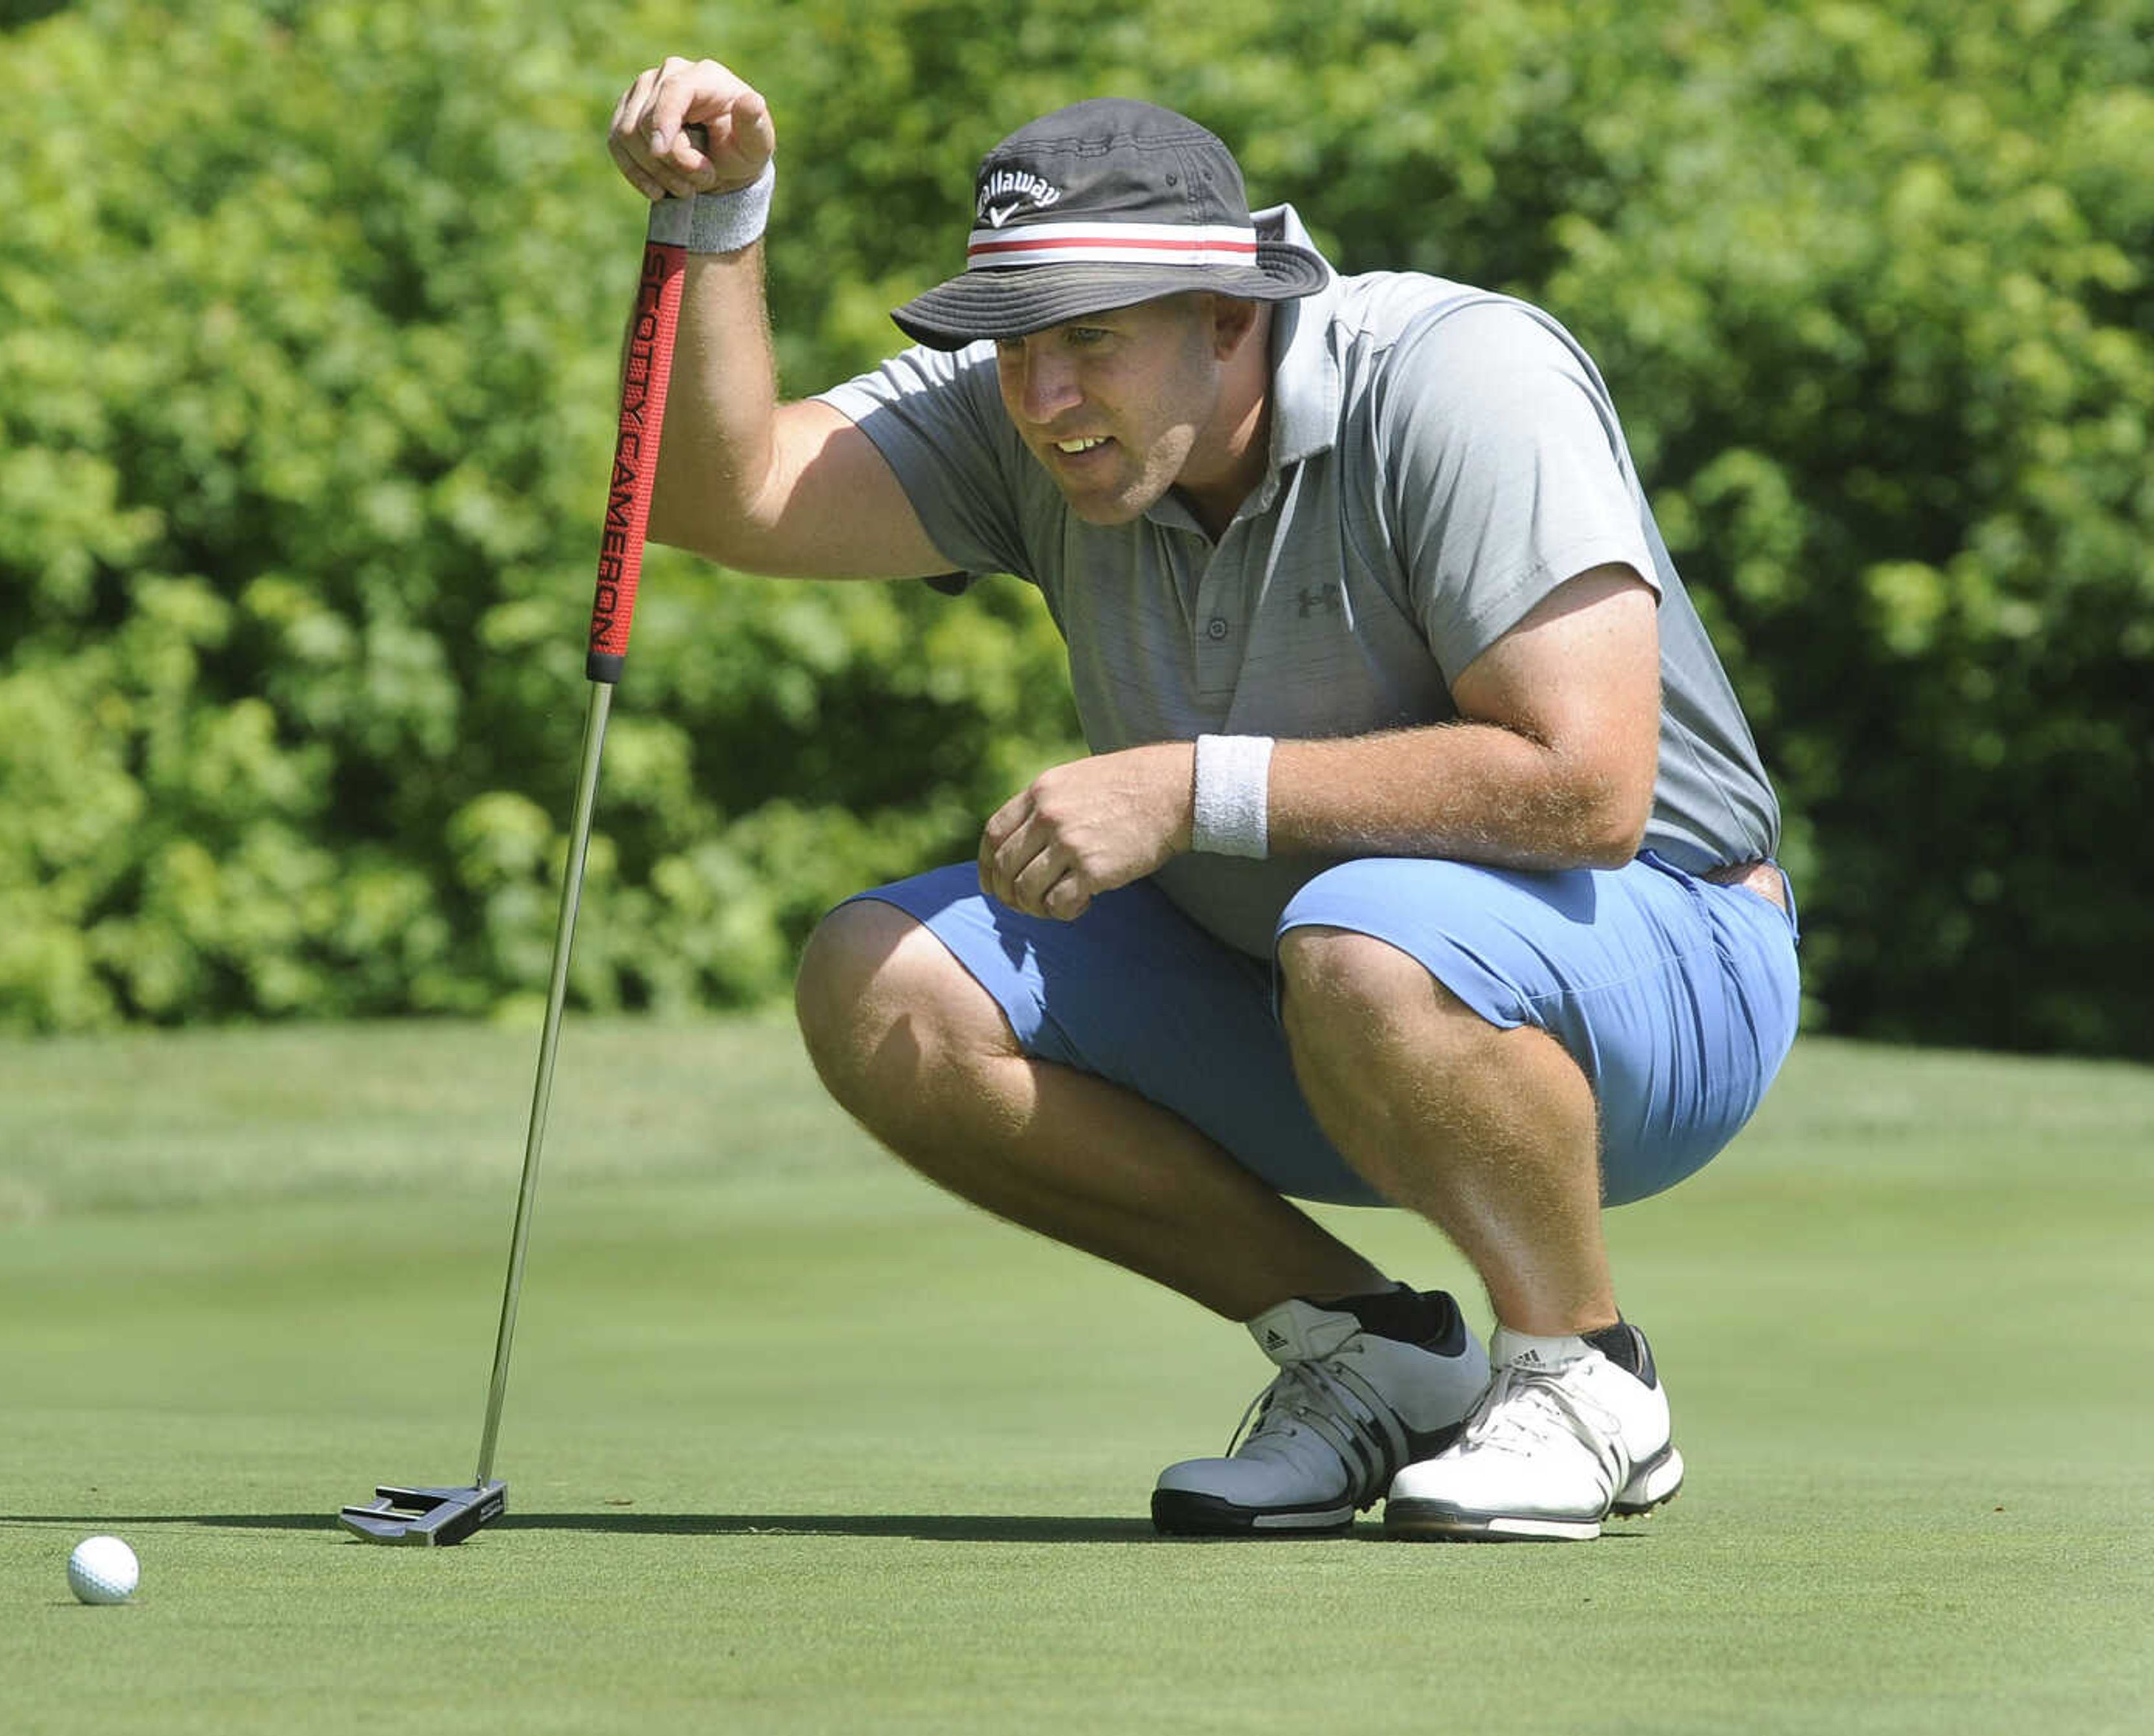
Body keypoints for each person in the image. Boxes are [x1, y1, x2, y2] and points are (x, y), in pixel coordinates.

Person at [605, 58, 1800, 1542]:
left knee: (1362, 933)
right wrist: (722, 222)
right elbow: (735, 497)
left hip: (1663, 962)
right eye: (1011, 351)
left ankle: (1586, 1375)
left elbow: (1591, 787)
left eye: (1091, 344)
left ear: (1229, 319)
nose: (1043, 401)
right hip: (1303, 982)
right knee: (883, 981)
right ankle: (1376, 1354)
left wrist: (1191, 787)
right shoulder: (1035, 420)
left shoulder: (1461, 380)